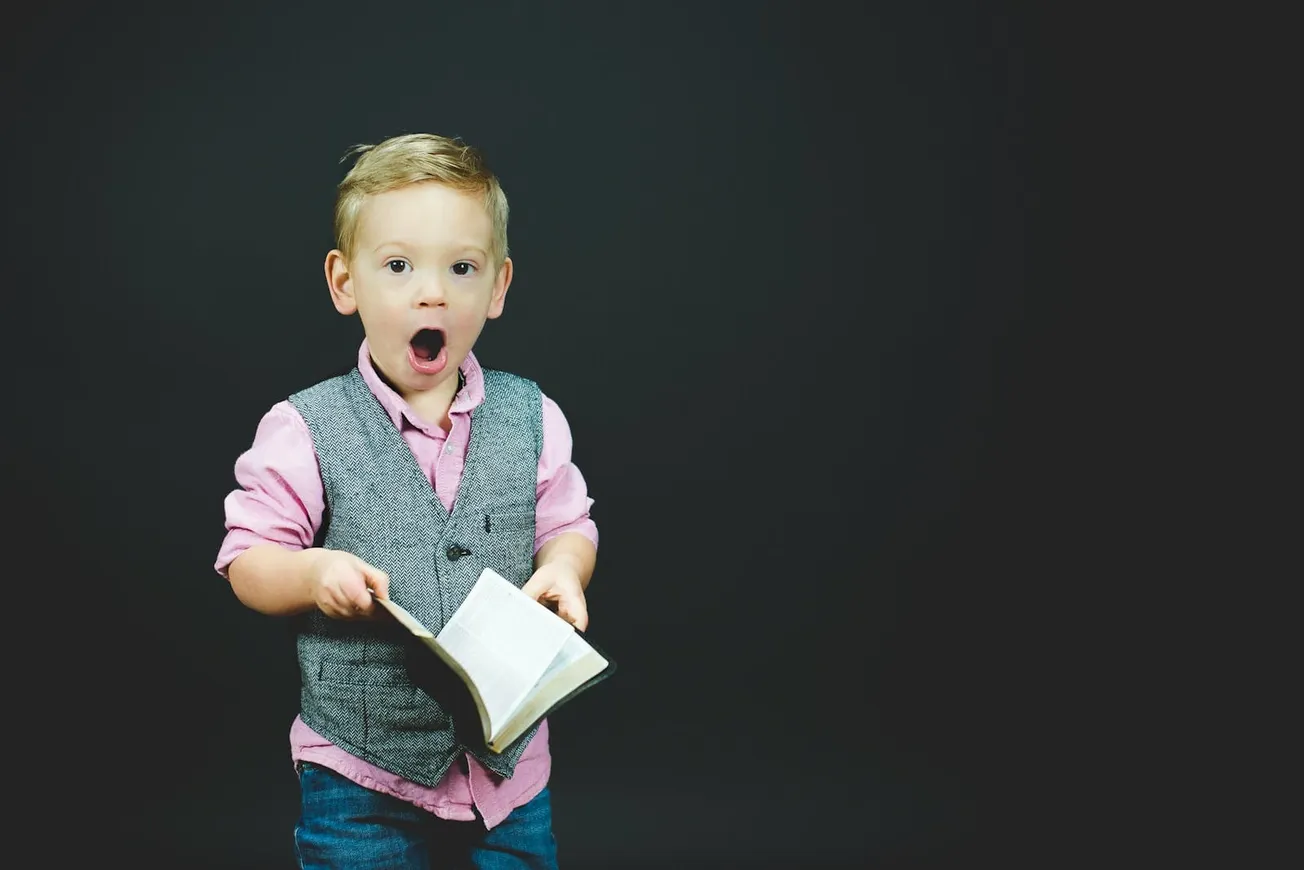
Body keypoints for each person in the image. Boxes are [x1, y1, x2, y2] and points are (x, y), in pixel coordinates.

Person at [214, 132, 599, 869]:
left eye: (462, 267)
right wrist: (310, 574)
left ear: (498, 288)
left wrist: (566, 568)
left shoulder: (534, 416)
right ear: (344, 283)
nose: (433, 291)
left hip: (508, 774)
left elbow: (568, 523)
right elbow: (245, 560)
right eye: (398, 266)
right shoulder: (305, 428)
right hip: (361, 772)